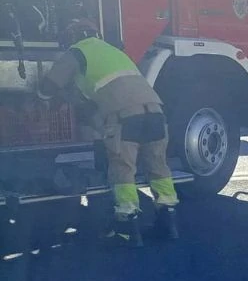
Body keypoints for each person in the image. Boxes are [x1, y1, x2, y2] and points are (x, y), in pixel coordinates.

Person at [38, 19, 178, 246]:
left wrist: (42, 98)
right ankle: (168, 221)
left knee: (122, 170)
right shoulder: (113, 52)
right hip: (155, 114)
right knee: (158, 167)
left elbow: (50, 86)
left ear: (72, 38)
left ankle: (127, 228)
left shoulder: (77, 52)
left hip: (124, 117)